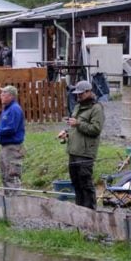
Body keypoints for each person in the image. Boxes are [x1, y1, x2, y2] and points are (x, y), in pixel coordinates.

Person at [57, 80, 105, 210]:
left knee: (86, 184)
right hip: (73, 151)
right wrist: (66, 133)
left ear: (89, 92)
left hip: (85, 153)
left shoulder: (97, 108)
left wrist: (78, 124)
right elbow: (75, 126)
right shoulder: (78, 106)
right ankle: (79, 213)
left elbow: (95, 129)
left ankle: (90, 214)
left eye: (81, 94)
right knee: (76, 184)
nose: (78, 97)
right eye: (77, 94)